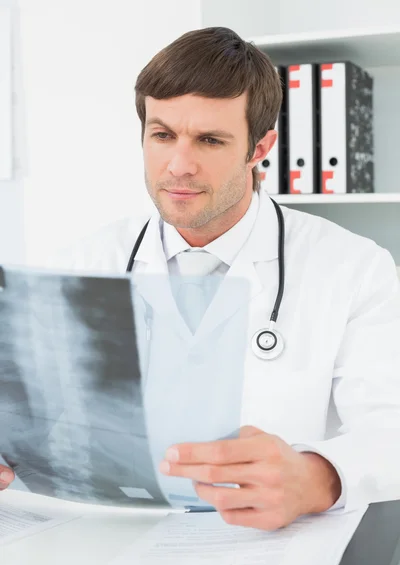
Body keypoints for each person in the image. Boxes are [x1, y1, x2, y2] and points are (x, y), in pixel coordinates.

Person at [2, 26, 399, 530]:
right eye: (162, 134)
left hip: (271, 550)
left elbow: (391, 429)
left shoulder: (354, 268)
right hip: (105, 542)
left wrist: (317, 477)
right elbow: (33, 416)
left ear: (260, 148)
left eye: (210, 140)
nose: (179, 165)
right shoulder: (84, 262)